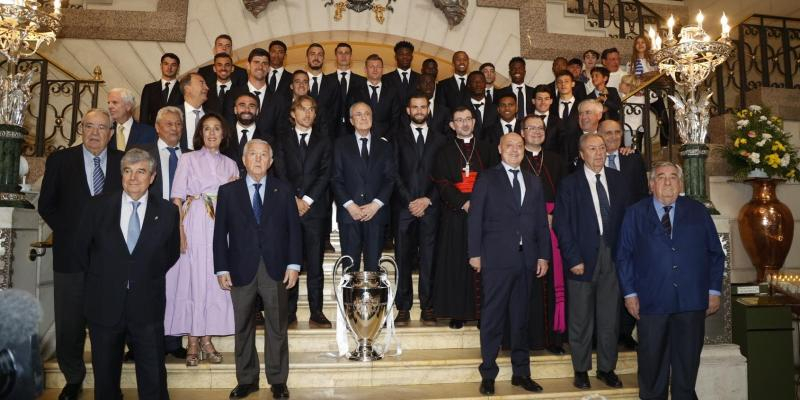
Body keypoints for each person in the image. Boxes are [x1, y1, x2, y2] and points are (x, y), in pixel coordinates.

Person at [74, 149, 180, 400]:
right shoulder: (97, 207)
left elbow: (170, 254)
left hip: (147, 305)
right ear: (121, 174)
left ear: (152, 176)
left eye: (141, 171)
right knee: (105, 378)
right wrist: (109, 275)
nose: (134, 177)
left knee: (153, 375)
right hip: (104, 303)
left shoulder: (167, 212)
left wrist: (141, 274)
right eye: (128, 171)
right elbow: (81, 250)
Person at [616, 161, 724, 400]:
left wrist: (714, 290)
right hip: (651, 303)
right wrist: (630, 294)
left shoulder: (698, 211)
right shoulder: (635, 213)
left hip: (691, 303)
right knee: (652, 367)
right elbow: (623, 257)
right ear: (651, 184)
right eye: (661, 177)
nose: (667, 182)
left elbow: (716, 254)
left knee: (686, 369)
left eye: (673, 177)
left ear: (681, 183)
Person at [38, 109, 123, 400]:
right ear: (81, 128)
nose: (95, 133)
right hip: (70, 259)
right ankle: (73, 378)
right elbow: (46, 205)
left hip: (111, 261)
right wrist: (74, 234)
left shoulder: (125, 162)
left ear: (111, 133)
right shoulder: (61, 161)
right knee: (69, 322)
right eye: (89, 126)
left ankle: (108, 383)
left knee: (109, 322)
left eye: (102, 127)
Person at [213, 139, 301, 400]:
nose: (259, 159)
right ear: (244, 159)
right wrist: (221, 268)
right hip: (240, 268)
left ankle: (277, 381)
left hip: (275, 268)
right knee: (242, 327)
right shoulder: (228, 191)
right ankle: (247, 380)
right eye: (253, 154)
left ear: (271, 162)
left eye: (264, 155)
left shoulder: (283, 190)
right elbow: (219, 235)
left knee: (277, 326)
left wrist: (294, 264)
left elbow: (294, 231)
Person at [469, 133, 551, 396]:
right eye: (509, 146)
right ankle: (489, 373)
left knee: (521, 319)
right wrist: (474, 253)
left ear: (524, 150)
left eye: (519, 146)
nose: (515, 150)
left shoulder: (533, 181)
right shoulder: (487, 178)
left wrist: (543, 255)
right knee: (493, 318)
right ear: (500, 148)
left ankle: (521, 373)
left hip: (527, 260)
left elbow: (540, 222)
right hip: (496, 259)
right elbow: (476, 218)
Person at [553, 133, 630, 390]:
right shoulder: (569, 184)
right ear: (582, 154)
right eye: (592, 148)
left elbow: (629, 222)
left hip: (613, 258)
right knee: (580, 319)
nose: (598, 152)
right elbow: (562, 226)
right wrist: (573, 257)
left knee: (610, 318)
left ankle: (607, 368)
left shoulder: (619, 180)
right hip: (582, 259)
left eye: (601, 147)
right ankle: (581, 369)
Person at [164, 112, 239, 366]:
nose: (211, 133)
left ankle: (206, 338)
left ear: (223, 133)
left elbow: (236, 203)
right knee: (193, 281)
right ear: (200, 134)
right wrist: (180, 231)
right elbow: (177, 198)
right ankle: (193, 342)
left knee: (211, 281)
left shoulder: (231, 164)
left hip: (220, 226)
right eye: (206, 128)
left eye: (217, 128)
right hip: (194, 221)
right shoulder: (188, 159)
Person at [129, 106, 190, 362]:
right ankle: (138, 343)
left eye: (178, 124)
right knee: (145, 287)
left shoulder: (190, 156)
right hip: (148, 227)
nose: (175, 128)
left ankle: (173, 340)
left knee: (176, 285)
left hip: (182, 228)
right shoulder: (143, 155)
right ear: (157, 127)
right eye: (169, 124)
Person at [431, 106, 498, 329]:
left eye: (468, 119)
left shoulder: (487, 149)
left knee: (484, 264)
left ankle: (482, 313)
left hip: (485, 214)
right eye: (459, 120)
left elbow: (495, 177)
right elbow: (441, 182)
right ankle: (457, 312)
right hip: (456, 214)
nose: (464, 123)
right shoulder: (444, 151)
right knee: (457, 262)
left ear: (474, 122)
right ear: (452, 125)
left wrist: (479, 203)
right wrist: (463, 202)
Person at [273, 95, 334, 329]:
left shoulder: (324, 141)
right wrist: (294, 200)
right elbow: (279, 172)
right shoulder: (281, 140)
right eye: (302, 109)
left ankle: (316, 311)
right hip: (288, 210)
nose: (307, 114)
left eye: (311, 110)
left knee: (316, 263)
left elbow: (325, 173)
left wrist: (306, 200)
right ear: (293, 113)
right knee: (291, 261)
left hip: (315, 210)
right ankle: (289, 311)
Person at [392, 94, 446, 327]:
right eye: (415, 106)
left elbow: (444, 176)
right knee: (402, 258)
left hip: (431, 208)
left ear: (428, 109)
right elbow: (393, 173)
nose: (419, 110)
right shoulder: (396, 138)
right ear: (408, 109)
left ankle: (428, 306)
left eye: (423, 106)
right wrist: (410, 201)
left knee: (429, 259)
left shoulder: (442, 139)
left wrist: (427, 200)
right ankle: (403, 307)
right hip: (404, 209)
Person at [519, 115, 568, 355]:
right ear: (522, 132)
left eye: (540, 128)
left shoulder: (556, 160)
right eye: (531, 128)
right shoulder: (516, 158)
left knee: (550, 284)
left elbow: (566, 195)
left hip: (552, 228)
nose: (536, 132)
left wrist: (554, 215)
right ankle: (527, 339)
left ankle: (553, 340)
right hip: (524, 231)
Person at [332, 102, 395, 271]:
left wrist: (376, 204)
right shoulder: (340, 144)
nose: (363, 117)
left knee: (373, 267)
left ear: (372, 119)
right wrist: (350, 205)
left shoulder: (385, 146)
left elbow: (390, 179)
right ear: (351, 120)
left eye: (367, 114)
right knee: (349, 268)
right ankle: (348, 299)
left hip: (376, 214)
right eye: (358, 114)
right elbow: (335, 179)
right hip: (349, 215)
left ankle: (371, 299)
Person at [224, 48, 281, 141]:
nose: (260, 66)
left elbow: (280, 134)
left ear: (269, 69)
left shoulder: (279, 100)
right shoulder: (232, 95)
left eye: (264, 63)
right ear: (248, 65)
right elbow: (228, 129)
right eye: (256, 62)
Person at [348, 54, 401, 140]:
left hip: (387, 141)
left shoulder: (392, 91)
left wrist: (386, 138)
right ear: (365, 70)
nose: (375, 69)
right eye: (371, 66)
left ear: (382, 70)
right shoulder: (355, 91)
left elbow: (396, 119)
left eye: (378, 66)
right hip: (361, 140)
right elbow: (350, 117)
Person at [327, 42, 367, 138]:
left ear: (351, 56)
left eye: (347, 53)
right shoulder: (326, 80)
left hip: (355, 130)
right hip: (331, 131)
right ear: (336, 56)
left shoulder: (362, 81)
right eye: (340, 53)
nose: (343, 55)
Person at [306, 43, 341, 136]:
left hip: (327, 137)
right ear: (307, 57)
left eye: (320, 55)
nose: (316, 57)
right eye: (312, 54)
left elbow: (336, 114)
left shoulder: (333, 84)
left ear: (323, 59)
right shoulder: (298, 83)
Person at [140, 53, 183, 126]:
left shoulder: (183, 89)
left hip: (175, 133)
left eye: (173, 65)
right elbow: (144, 116)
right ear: (161, 66)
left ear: (178, 68)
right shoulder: (149, 89)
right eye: (166, 64)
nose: (169, 68)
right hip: (153, 133)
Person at [382, 40, 420, 106]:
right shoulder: (385, 79)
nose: (404, 57)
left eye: (407, 54)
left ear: (412, 57)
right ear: (396, 57)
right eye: (401, 54)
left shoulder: (420, 78)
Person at [179, 72, 210, 150]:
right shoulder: (174, 114)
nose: (207, 88)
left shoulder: (212, 116)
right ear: (187, 88)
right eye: (202, 83)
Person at [464, 70, 497, 140]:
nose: (478, 84)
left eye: (481, 81)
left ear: (485, 84)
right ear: (468, 85)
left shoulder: (495, 108)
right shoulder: (461, 108)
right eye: (474, 81)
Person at [532, 85, 559, 152]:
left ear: (551, 101)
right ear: (533, 101)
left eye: (546, 99)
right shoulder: (524, 121)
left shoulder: (559, 123)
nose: (543, 102)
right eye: (539, 99)